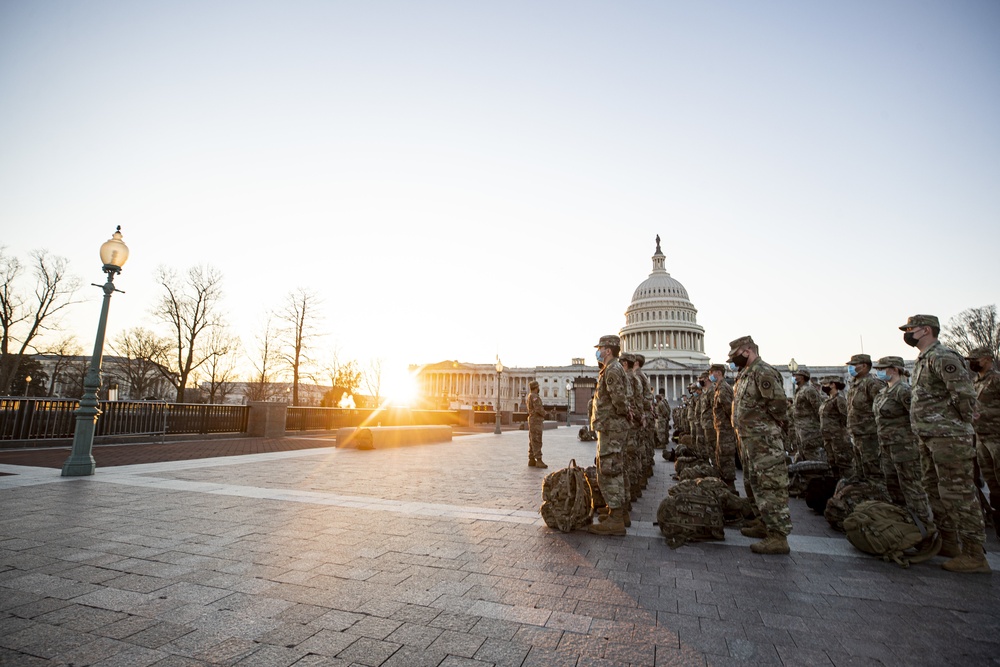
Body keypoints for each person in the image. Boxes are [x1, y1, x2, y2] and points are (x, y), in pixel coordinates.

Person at [902, 314, 989, 573]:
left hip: (948, 437)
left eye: (910, 329)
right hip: (930, 436)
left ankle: (974, 553)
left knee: (958, 493)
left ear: (925, 330)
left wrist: (958, 425)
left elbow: (964, 393)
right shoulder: (924, 359)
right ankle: (949, 541)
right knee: (933, 489)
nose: (907, 333)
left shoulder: (942, 356)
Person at [728, 335, 792, 554]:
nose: (733, 360)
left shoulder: (763, 372)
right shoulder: (746, 374)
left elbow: (779, 405)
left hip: (764, 441)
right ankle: (762, 522)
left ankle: (778, 535)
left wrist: (766, 427)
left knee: (770, 485)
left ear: (747, 351)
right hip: (749, 440)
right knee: (753, 483)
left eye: (736, 355)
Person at [872, 356, 937, 542]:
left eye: (883, 368)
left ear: (894, 369)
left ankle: (925, 529)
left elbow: (917, 417)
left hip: (905, 448)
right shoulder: (884, 392)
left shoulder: (904, 391)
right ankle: (904, 525)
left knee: (912, 488)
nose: (879, 371)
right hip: (887, 446)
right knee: (893, 486)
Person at [589, 334, 631, 536]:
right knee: (615, 467)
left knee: (609, 468)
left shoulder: (612, 370)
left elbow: (619, 399)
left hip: (611, 427)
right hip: (611, 426)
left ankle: (616, 519)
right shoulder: (613, 369)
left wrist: (621, 414)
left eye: (600, 348)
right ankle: (618, 512)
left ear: (608, 350)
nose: (597, 351)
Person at [967, 346, 1000, 534]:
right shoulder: (976, 382)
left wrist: (986, 414)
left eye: (975, 359)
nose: (972, 362)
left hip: (996, 437)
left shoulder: (996, 379)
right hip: (981, 438)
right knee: (991, 483)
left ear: (987, 359)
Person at [845, 353, 885, 484]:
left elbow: (881, 408)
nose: (851, 368)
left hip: (869, 434)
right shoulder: (854, 385)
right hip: (857, 434)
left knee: (873, 470)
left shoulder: (872, 383)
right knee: (859, 470)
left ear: (864, 366)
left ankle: (878, 498)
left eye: (853, 365)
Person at [708, 363, 739, 494]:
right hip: (721, 429)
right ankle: (725, 489)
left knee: (726, 460)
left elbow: (729, 410)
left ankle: (730, 491)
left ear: (718, 373)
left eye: (712, 372)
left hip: (726, 430)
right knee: (721, 458)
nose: (710, 376)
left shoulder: (724, 389)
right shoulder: (718, 388)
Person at [819, 376, 853, 479]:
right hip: (828, 437)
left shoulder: (839, 399)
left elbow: (845, 416)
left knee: (843, 462)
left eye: (825, 384)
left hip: (838, 437)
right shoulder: (827, 400)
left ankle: (848, 484)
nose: (823, 387)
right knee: (832, 462)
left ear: (833, 384)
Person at [791, 368, 824, 462]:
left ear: (801, 377)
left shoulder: (809, 390)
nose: (794, 377)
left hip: (810, 428)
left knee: (811, 454)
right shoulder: (799, 390)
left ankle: (816, 475)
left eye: (796, 375)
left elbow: (818, 408)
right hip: (800, 428)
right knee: (803, 453)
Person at [526, 380, 547, 468]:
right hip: (536, 421)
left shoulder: (529, 396)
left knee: (532, 440)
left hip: (532, 420)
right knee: (537, 440)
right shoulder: (534, 396)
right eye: (538, 387)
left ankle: (531, 459)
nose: (539, 388)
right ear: (536, 387)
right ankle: (539, 460)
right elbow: (538, 408)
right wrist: (544, 413)